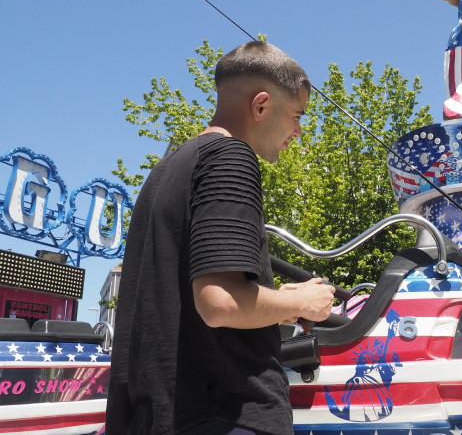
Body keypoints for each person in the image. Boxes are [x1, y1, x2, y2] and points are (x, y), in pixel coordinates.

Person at [107, 41, 337, 435]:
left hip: (160, 415)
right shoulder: (231, 158)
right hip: (225, 414)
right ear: (261, 105)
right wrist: (303, 301)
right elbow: (220, 303)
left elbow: (190, 303)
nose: (298, 131)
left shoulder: (166, 171)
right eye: (296, 115)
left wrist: (277, 303)